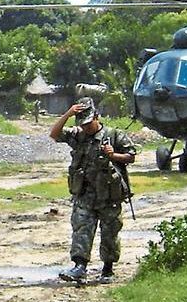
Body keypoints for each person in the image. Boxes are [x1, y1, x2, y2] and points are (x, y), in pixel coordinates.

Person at [49, 96, 136, 284]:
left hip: (109, 195)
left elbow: (131, 156)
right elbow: (54, 134)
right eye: (83, 124)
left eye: (89, 123)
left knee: (110, 233)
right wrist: (68, 114)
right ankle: (79, 267)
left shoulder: (115, 135)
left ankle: (108, 269)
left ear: (97, 116)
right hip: (85, 194)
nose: (86, 128)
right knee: (81, 230)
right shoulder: (78, 135)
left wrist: (114, 155)